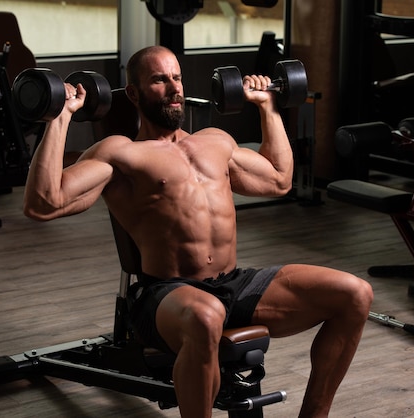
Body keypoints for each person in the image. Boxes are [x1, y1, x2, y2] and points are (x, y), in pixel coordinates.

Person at [23, 45, 373, 418]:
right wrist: (58, 119)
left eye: (177, 77)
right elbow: (44, 202)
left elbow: (279, 180)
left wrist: (267, 107)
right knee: (206, 316)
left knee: (354, 294)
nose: (174, 88)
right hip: (166, 294)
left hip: (234, 284)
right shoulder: (119, 152)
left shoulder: (215, 141)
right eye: (160, 79)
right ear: (135, 94)